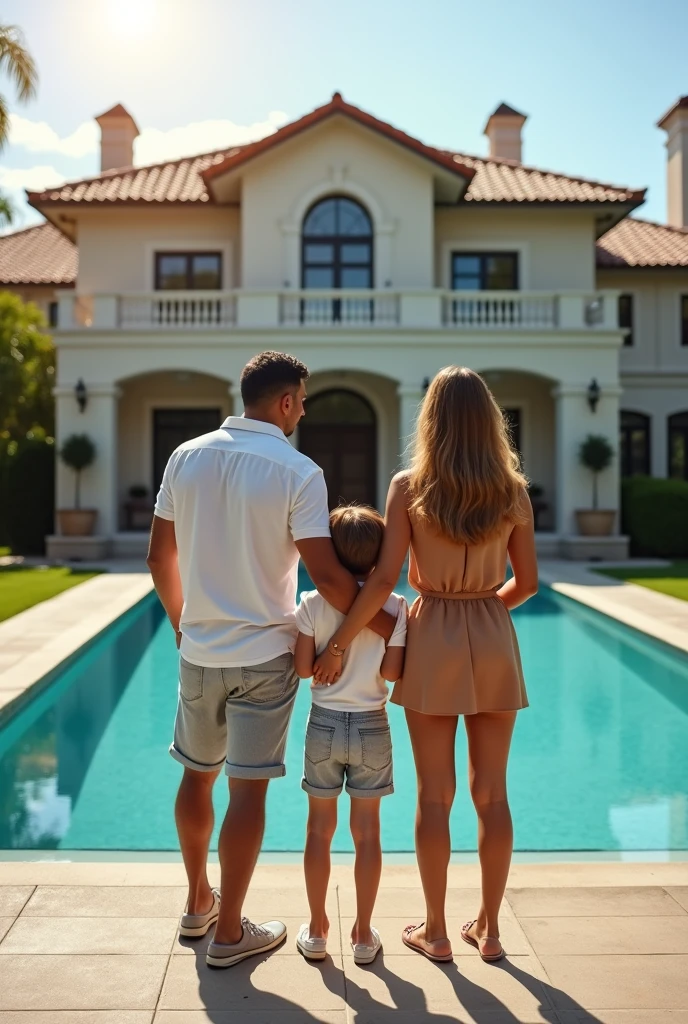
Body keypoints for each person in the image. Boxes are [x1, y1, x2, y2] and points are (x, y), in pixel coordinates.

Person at [147, 350, 395, 969]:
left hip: (201, 650)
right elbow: (329, 577)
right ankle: (230, 932)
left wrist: (184, 627)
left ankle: (197, 901)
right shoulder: (298, 471)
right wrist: (391, 621)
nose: (304, 411)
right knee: (247, 793)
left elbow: (159, 558)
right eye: (303, 401)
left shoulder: (185, 455)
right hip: (264, 656)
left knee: (195, 775)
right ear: (285, 402)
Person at [312, 366, 538, 964]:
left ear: (431, 420)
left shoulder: (409, 487)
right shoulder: (513, 491)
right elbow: (530, 583)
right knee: (492, 795)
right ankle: (489, 932)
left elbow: (385, 578)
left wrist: (339, 643)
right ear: (490, 420)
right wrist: (484, 612)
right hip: (492, 632)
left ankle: (436, 932)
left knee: (433, 796)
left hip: (431, 631)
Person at [292, 505, 408, 966]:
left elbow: (304, 670)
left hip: (323, 723)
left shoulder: (310, 603)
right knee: (368, 834)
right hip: (372, 726)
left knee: (319, 832)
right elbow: (394, 672)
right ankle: (362, 935)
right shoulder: (396, 607)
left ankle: (318, 929)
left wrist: (329, 652)